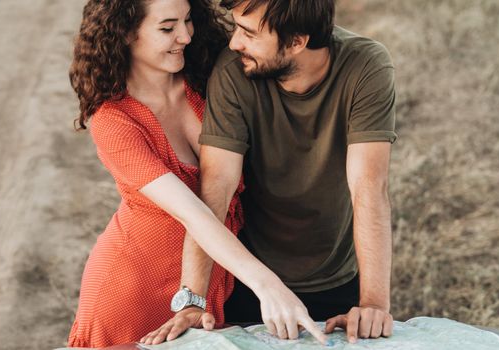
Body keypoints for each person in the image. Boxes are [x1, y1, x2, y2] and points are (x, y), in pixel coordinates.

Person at [68, 0, 326, 347]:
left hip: (211, 279)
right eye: (167, 27)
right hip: (132, 288)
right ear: (125, 33)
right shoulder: (113, 120)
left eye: (189, 21)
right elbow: (196, 214)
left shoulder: (205, 81)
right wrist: (268, 285)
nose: (186, 36)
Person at [147, 0, 397, 345]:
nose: (235, 43)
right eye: (236, 28)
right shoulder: (233, 70)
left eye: (249, 33)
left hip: (337, 276)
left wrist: (373, 304)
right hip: (251, 280)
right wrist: (193, 298)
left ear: (297, 41)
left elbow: (369, 187)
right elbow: (216, 188)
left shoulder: (366, 65)